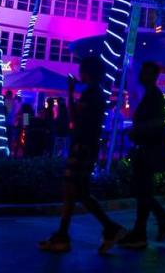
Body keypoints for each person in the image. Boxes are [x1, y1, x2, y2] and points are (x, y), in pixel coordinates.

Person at [38, 55, 126, 254]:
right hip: (87, 147)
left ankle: (102, 229)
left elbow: (75, 119)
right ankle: (68, 234)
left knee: (75, 189)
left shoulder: (90, 94)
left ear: (86, 73)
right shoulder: (98, 94)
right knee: (76, 191)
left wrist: (70, 93)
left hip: (81, 148)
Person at [118, 62, 165, 250]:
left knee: (141, 190)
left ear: (152, 76)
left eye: (144, 72)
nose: (141, 75)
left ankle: (146, 228)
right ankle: (147, 227)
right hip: (147, 149)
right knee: (142, 190)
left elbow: (157, 123)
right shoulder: (152, 96)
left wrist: (136, 131)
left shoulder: (154, 96)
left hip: (148, 150)